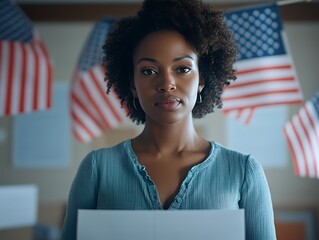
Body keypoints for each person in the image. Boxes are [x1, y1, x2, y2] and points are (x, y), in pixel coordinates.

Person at [60, 0, 277, 239]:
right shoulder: (97, 169)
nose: (166, 84)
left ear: (202, 79)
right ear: (132, 84)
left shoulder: (244, 172)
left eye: (182, 69)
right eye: (148, 71)